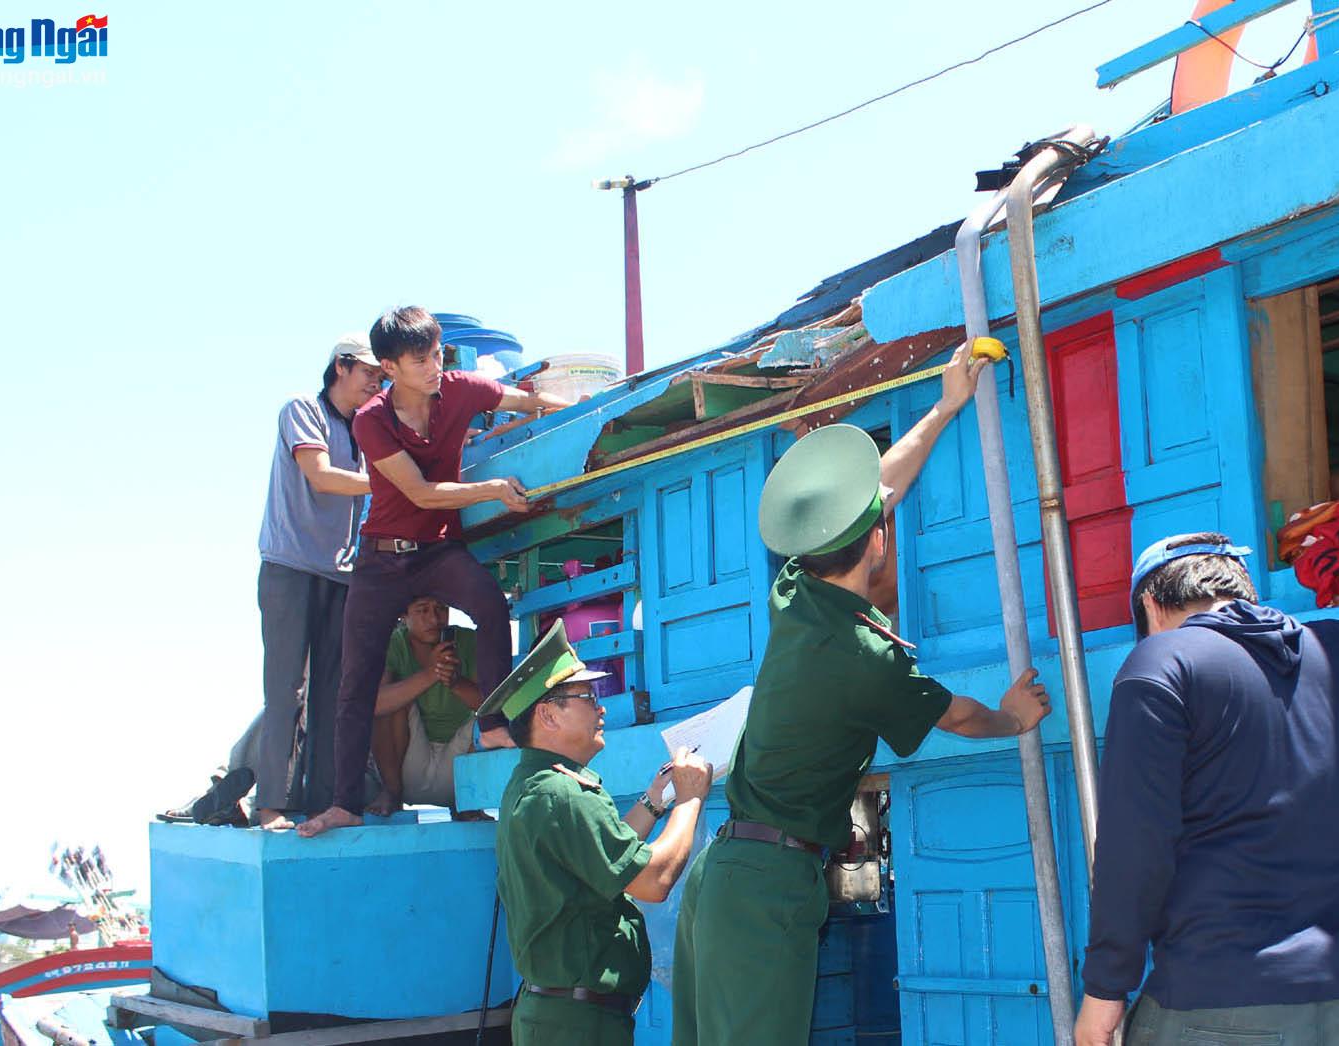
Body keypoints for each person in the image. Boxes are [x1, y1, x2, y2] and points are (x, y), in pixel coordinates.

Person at [669, 342, 1055, 1046]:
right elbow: (961, 717)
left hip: (724, 872)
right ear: (878, 543)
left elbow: (878, 490)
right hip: (766, 889)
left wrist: (943, 406)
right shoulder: (866, 657)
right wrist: (1015, 717)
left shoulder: (795, 591)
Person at [1073, 533, 1339, 1046]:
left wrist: (1105, 990)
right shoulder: (1334, 649)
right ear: (1246, 595)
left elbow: (1135, 844)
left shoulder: (1162, 662)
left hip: (1217, 1001)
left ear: (1150, 606)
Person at [299, 307, 575, 838]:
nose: (433, 367)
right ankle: (343, 803)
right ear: (389, 366)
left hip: (439, 548)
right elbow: (421, 492)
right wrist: (492, 490)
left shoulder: (461, 389)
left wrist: (574, 403)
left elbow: (527, 398)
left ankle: (493, 726)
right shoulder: (370, 420)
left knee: (492, 607)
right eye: (419, 359)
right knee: (356, 677)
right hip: (382, 559)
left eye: (437, 354)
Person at [162, 334, 379, 830]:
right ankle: (271, 805)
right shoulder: (301, 410)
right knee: (287, 692)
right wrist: (396, 479)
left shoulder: (366, 430)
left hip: (341, 574)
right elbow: (321, 475)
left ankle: (322, 802)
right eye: (368, 371)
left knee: (333, 695)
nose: (375, 381)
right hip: (290, 569)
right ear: (340, 367)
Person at [487, 622, 712, 1045]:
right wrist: (690, 799)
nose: (601, 707)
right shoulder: (563, 793)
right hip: (578, 1023)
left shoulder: (535, 783)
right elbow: (653, 879)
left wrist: (654, 801)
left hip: (561, 1016)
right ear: (548, 714)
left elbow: (606, 856)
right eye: (588, 697)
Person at [367, 596, 513, 814]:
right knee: (391, 704)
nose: (434, 618)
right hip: (406, 764)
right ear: (403, 615)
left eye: (441, 609)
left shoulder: (467, 640)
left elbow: (492, 707)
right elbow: (374, 705)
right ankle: (391, 791)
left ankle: (468, 804)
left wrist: (455, 683)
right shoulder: (393, 644)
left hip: (459, 764)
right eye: (422, 610)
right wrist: (431, 674)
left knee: (496, 721)